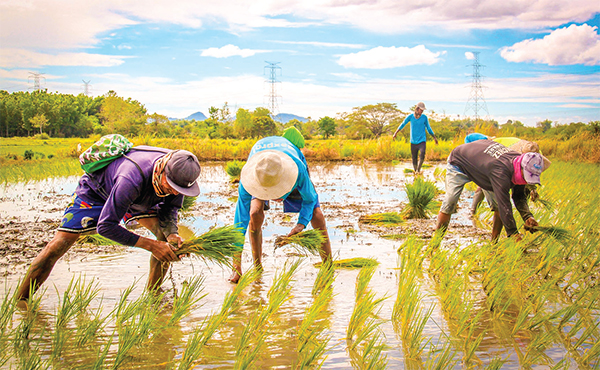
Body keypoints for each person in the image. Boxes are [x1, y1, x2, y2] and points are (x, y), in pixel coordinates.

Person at [17, 147, 201, 301]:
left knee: (163, 238)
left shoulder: (179, 179)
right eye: (171, 186)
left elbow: (169, 210)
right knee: (59, 244)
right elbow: (105, 226)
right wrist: (151, 246)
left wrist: (171, 234)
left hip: (140, 196)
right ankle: (21, 302)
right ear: (162, 169)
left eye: (179, 190)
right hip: (98, 191)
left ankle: (153, 296)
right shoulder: (131, 177)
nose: (174, 192)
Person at [230, 130, 332, 283]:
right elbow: (240, 223)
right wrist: (235, 265)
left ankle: (328, 266)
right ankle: (257, 267)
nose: (274, 196)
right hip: (262, 168)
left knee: (317, 215)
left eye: (277, 191)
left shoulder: (297, 169)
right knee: (254, 214)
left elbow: (310, 199)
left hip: (287, 164)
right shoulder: (249, 178)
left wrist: (300, 224)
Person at [434, 139, 549, 242]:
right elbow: (506, 205)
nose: (527, 180)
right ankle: (435, 244)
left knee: (497, 206)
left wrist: (528, 217)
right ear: (521, 167)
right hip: (460, 161)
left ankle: (494, 244)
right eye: (527, 176)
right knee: (450, 200)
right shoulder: (501, 172)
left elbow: (519, 196)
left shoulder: (520, 168)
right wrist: (514, 234)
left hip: (483, 169)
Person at [392, 102, 439, 175]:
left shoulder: (424, 118)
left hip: (422, 140)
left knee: (422, 153)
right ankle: (416, 171)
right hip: (413, 141)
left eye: (423, 110)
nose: (422, 111)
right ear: (417, 109)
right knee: (414, 158)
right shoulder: (410, 117)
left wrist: (434, 137)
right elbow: (403, 124)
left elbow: (428, 128)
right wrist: (396, 133)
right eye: (421, 110)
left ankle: (418, 170)